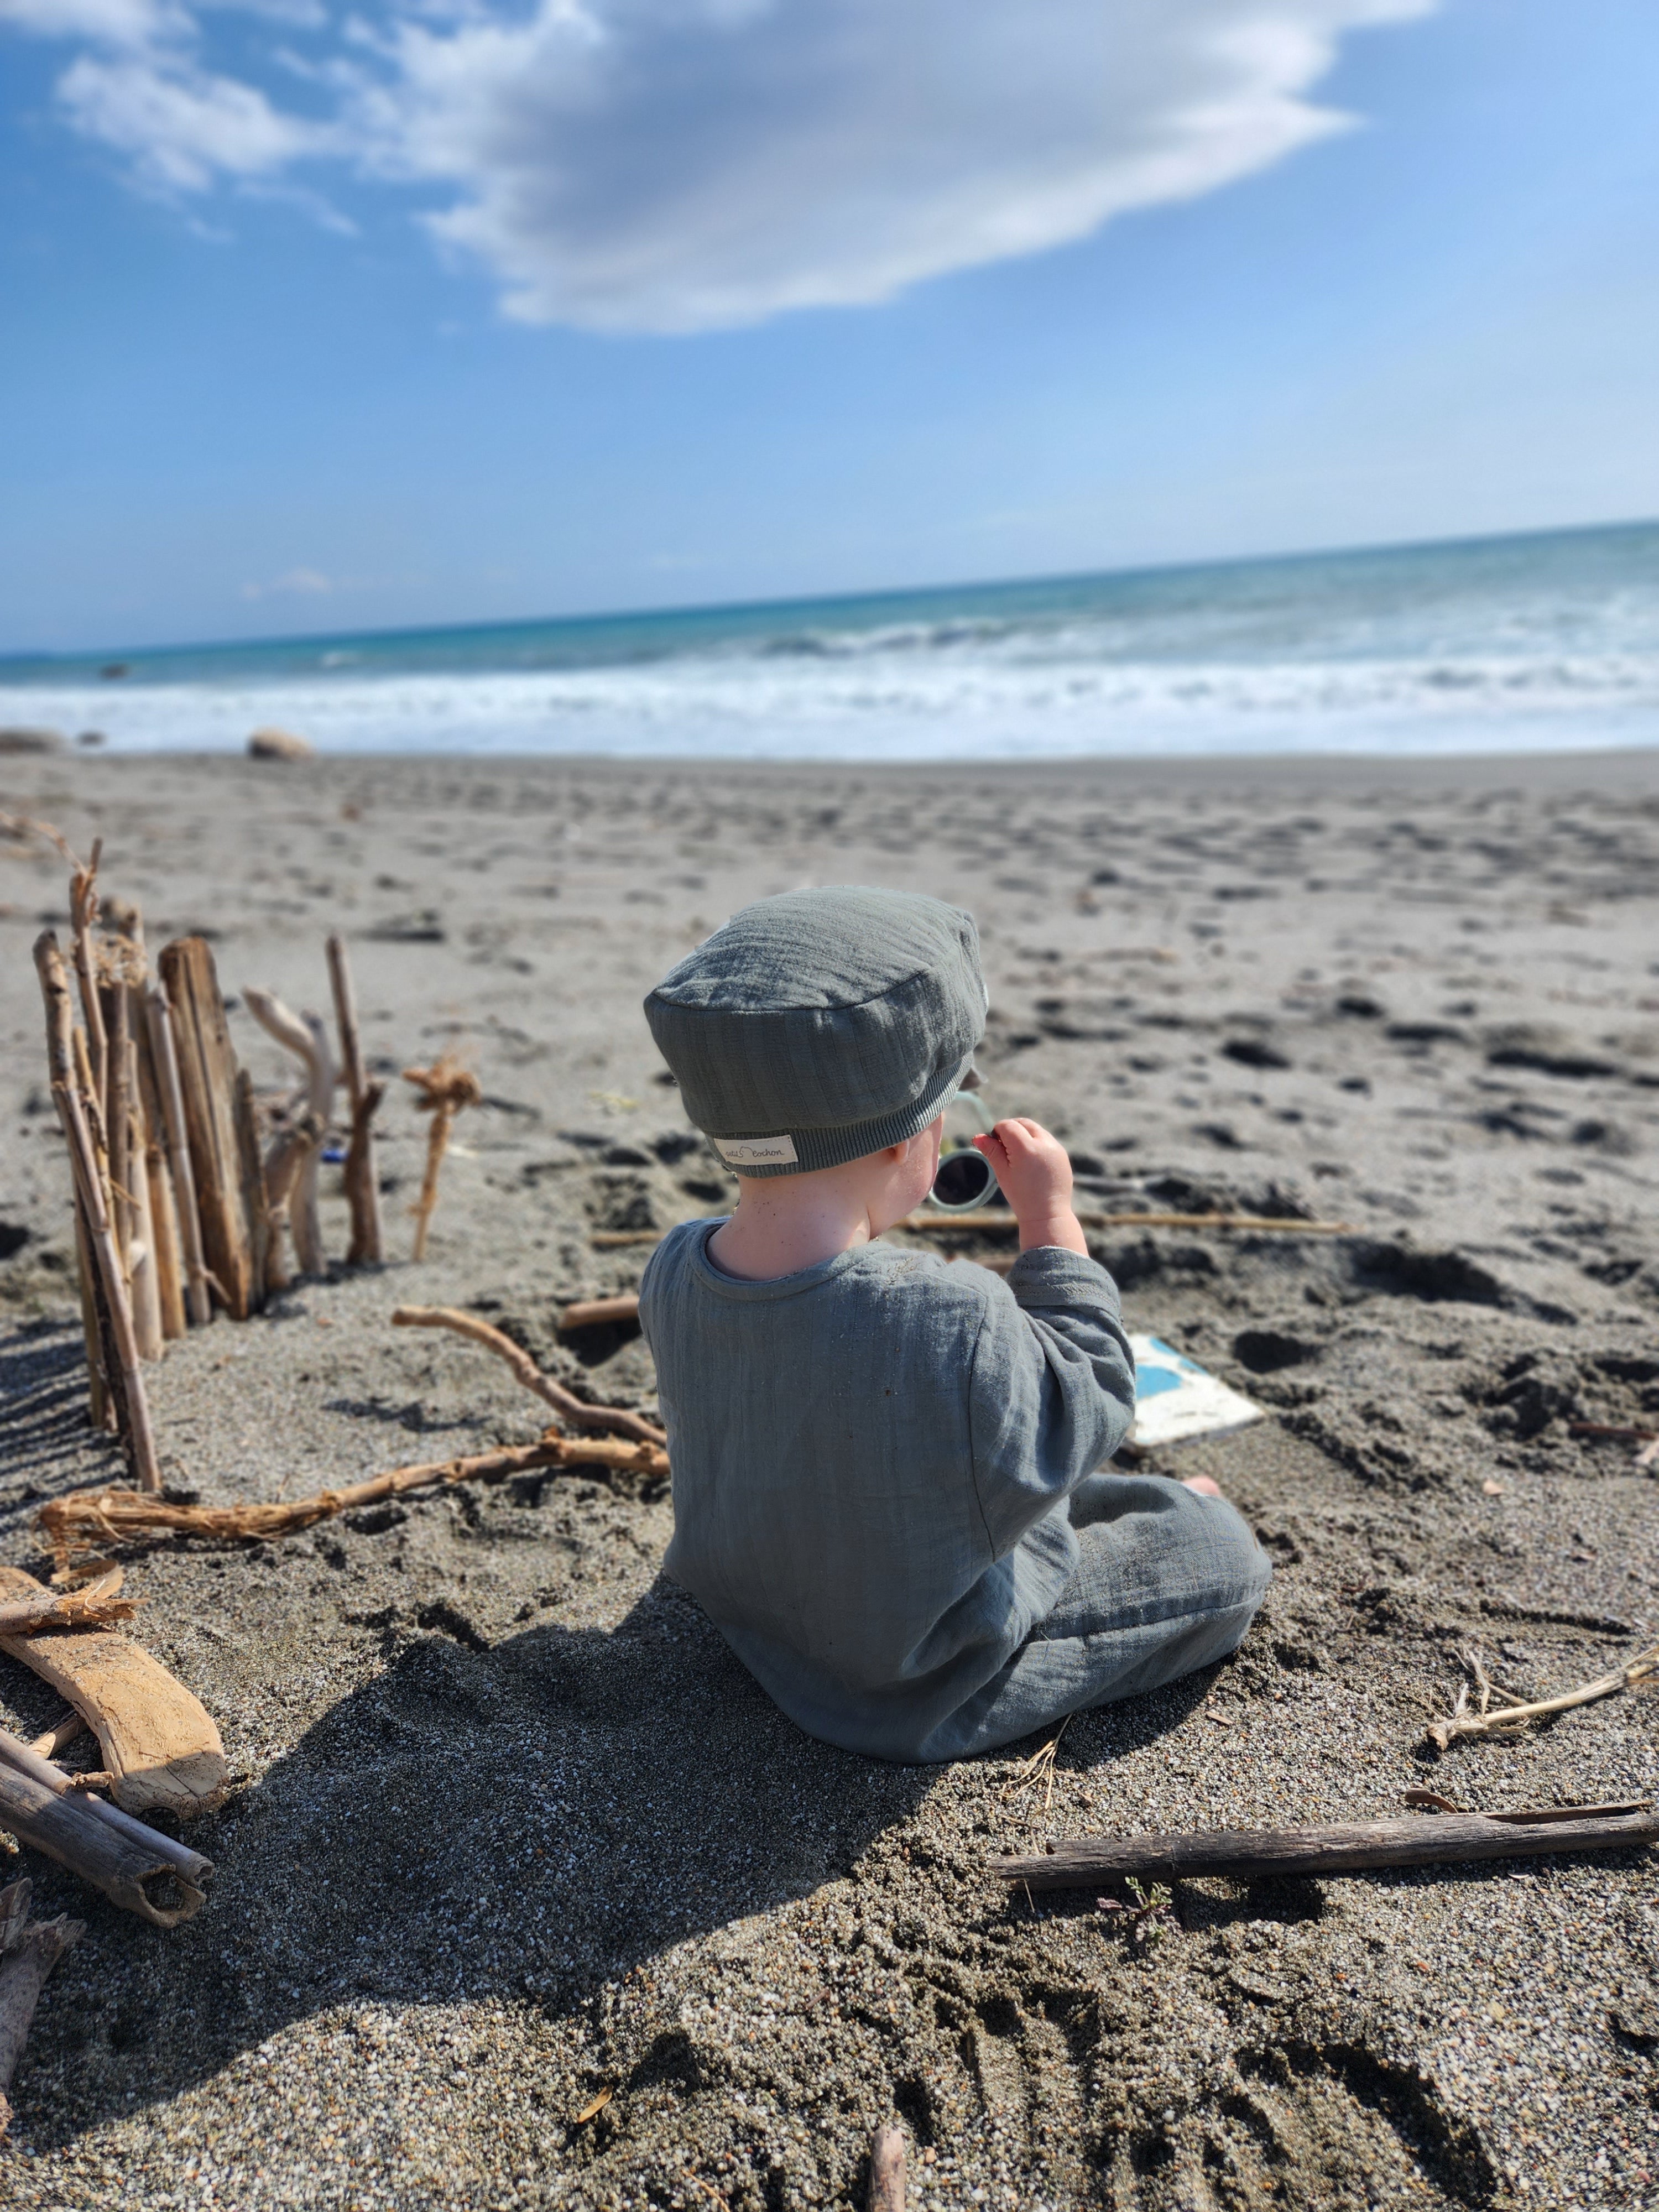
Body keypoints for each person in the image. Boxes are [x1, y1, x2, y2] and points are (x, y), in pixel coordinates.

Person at [638, 885, 1270, 1762]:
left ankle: (1160, 1510)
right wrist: (1052, 1221)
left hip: (748, 1617)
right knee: (1221, 1556)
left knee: (996, 1477)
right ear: (906, 1141)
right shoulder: (944, 1314)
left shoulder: (674, 1266)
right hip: (910, 1677)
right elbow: (1091, 1398)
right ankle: (1191, 1517)